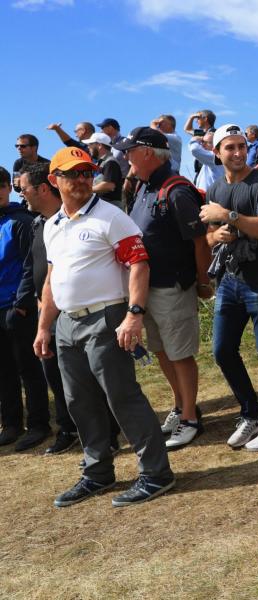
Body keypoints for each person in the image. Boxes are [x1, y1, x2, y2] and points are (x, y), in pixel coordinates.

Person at [35, 147, 175, 507]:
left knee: (122, 397)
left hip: (106, 318)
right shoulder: (53, 225)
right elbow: (52, 280)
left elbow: (139, 265)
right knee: (78, 402)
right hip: (67, 322)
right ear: (55, 181)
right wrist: (44, 327)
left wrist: (134, 314)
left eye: (87, 172)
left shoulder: (111, 217)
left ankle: (156, 474)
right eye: (73, 174)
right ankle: (97, 472)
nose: (82, 180)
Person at [199, 124, 258, 451]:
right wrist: (218, 235)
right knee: (222, 350)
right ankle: (253, 412)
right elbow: (209, 236)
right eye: (231, 148)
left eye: (242, 146)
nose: (238, 153)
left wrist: (230, 217)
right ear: (218, 152)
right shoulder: (214, 190)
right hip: (229, 280)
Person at [120, 127, 212, 449]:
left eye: (131, 150)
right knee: (161, 351)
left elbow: (200, 241)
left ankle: (190, 419)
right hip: (148, 289)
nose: (126, 156)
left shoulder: (176, 190)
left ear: (147, 153)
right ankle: (180, 406)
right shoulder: (144, 187)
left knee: (180, 354)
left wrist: (203, 281)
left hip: (173, 286)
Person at [17, 164, 95, 455]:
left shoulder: (76, 221)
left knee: (83, 378)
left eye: (24, 188)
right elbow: (35, 269)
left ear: (43, 188)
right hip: (46, 310)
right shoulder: (41, 224)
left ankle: (102, 432)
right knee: (54, 373)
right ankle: (69, 427)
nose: (21, 194)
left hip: (76, 309)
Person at [0, 167, 50, 451]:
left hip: (16, 308)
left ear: (7, 187)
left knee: (28, 368)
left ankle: (39, 423)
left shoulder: (21, 221)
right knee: (3, 370)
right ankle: (11, 424)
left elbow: (31, 267)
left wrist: (21, 305)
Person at [82, 132, 124, 209]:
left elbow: (109, 185)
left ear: (99, 145)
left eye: (90, 144)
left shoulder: (110, 162)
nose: (88, 147)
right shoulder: (102, 162)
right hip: (105, 207)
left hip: (111, 208)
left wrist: (86, 191)